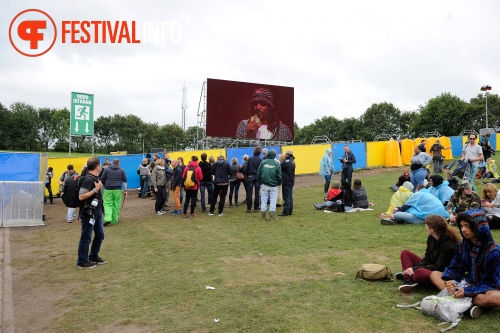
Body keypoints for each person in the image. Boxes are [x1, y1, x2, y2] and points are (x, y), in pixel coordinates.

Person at [429, 209, 500, 319]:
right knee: (435, 275)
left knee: (495, 298)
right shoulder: (463, 245)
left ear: (478, 227)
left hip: (488, 288)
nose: (464, 230)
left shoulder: (494, 251)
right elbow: (456, 267)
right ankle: (471, 304)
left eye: (467, 226)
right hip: (467, 283)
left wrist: (467, 292)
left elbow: (491, 282)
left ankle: (464, 301)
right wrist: (452, 281)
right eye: (461, 226)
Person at [397, 215, 461, 293]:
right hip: (431, 266)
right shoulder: (431, 238)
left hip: (439, 273)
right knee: (405, 253)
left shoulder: (448, 245)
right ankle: (408, 278)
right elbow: (427, 257)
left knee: (419, 272)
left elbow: (439, 266)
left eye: (426, 225)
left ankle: (410, 276)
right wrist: (415, 268)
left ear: (432, 229)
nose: (425, 227)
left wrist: (415, 269)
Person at [76, 157, 105, 269]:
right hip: (88, 213)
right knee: (86, 237)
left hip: (96, 212)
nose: (101, 167)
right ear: (97, 166)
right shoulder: (88, 179)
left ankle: (93, 256)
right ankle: (82, 261)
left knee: (100, 235)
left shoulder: (95, 178)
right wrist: (95, 189)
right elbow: (81, 196)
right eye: (100, 165)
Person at [381, 188, 449, 225]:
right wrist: (398, 208)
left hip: (424, 219)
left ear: (417, 188)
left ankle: (395, 219)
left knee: (398, 214)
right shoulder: (429, 196)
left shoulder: (418, 194)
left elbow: (407, 206)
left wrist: (395, 212)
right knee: (399, 213)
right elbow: (414, 207)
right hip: (440, 216)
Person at [100, 158, 128, 226]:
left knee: (107, 204)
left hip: (107, 189)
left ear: (112, 163)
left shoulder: (107, 170)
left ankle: (107, 218)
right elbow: (125, 181)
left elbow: (102, 179)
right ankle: (114, 220)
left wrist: (100, 188)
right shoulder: (122, 170)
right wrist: (125, 190)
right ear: (119, 163)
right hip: (117, 189)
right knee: (116, 204)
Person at [257, 149, 282, 221]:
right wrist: (279, 183)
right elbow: (279, 175)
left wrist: (260, 181)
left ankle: (263, 218)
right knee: (273, 201)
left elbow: (258, 173)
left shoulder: (263, 162)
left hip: (264, 184)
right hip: (274, 185)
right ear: (274, 155)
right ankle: (272, 217)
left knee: (263, 200)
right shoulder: (277, 163)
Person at [245, 146, 263, 213]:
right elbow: (262, 170)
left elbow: (246, 169)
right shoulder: (261, 160)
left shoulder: (249, 159)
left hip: (250, 176)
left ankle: (249, 208)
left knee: (249, 193)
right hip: (258, 176)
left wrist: (247, 176)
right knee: (257, 192)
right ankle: (256, 207)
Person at [279, 150, 296, 216]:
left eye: (285, 154)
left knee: (286, 197)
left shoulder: (286, 162)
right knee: (290, 196)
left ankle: (286, 211)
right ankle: (290, 210)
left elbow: (279, 167)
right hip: (291, 180)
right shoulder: (293, 162)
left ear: (288, 154)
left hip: (286, 181)